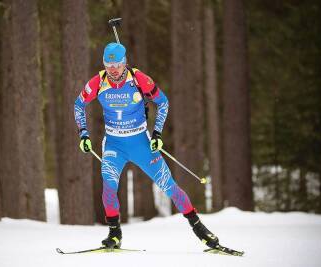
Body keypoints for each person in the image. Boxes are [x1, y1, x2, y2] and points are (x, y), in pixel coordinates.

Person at [74, 42, 219, 249]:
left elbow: (164, 102)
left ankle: (200, 229)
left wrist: (157, 133)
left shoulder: (139, 79)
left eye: (117, 65)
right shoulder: (98, 82)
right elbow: (79, 105)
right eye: (108, 65)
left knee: (169, 186)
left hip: (141, 143)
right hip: (114, 144)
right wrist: (83, 135)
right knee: (109, 187)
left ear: (125, 63)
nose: (113, 70)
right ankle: (114, 233)